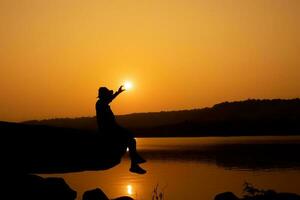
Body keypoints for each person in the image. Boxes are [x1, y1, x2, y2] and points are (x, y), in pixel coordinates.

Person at [96, 85, 147, 174]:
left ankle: (134, 163)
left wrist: (118, 92)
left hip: (112, 128)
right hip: (109, 130)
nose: (109, 96)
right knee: (130, 138)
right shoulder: (100, 103)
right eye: (107, 94)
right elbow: (107, 119)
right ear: (104, 95)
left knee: (131, 139)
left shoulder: (102, 102)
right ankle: (134, 163)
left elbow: (109, 99)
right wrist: (117, 93)